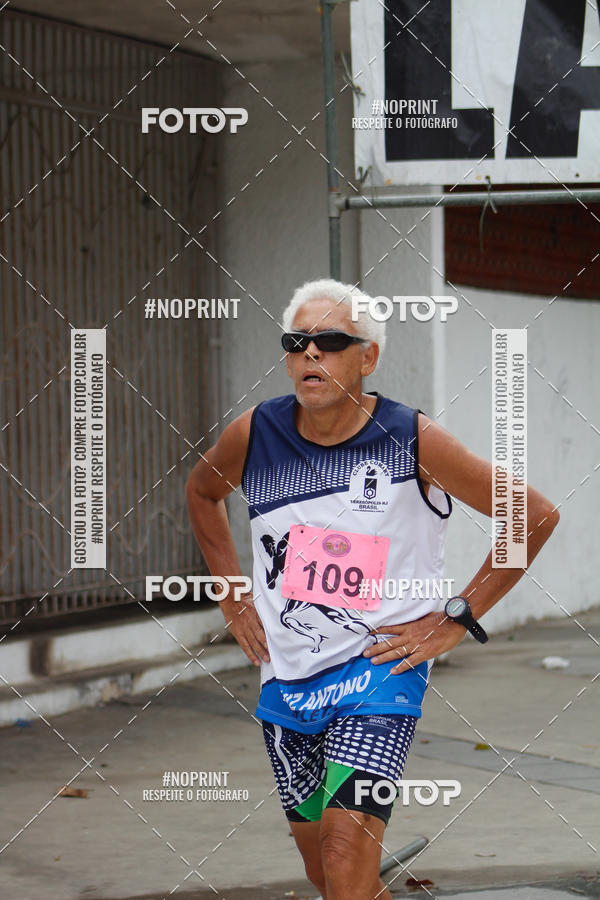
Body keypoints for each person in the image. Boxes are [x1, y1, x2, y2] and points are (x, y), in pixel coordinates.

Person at [185, 278, 559, 900]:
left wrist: (455, 619)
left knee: (344, 847)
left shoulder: (411, 439)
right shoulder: (255, 433)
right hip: (288, 672)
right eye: (296, 342)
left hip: (381, 670)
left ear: (368, 357)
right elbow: (202, 493)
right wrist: (234, 594)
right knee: (325, 872)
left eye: (329, 342)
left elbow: (533, 515)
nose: (310, 355)